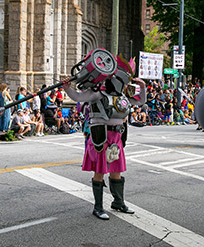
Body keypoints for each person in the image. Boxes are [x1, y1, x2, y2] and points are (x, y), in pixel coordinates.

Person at [62, 60, 146, 220]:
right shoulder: (97, 94)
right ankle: (98, 207)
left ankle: (118, 202)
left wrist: (142, 87)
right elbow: (78, 97)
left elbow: (140, 101)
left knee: (116, 171)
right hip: (100, 136)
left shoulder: (123, 96)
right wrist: (67, 88)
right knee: (99, 171)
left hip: (117, 138)